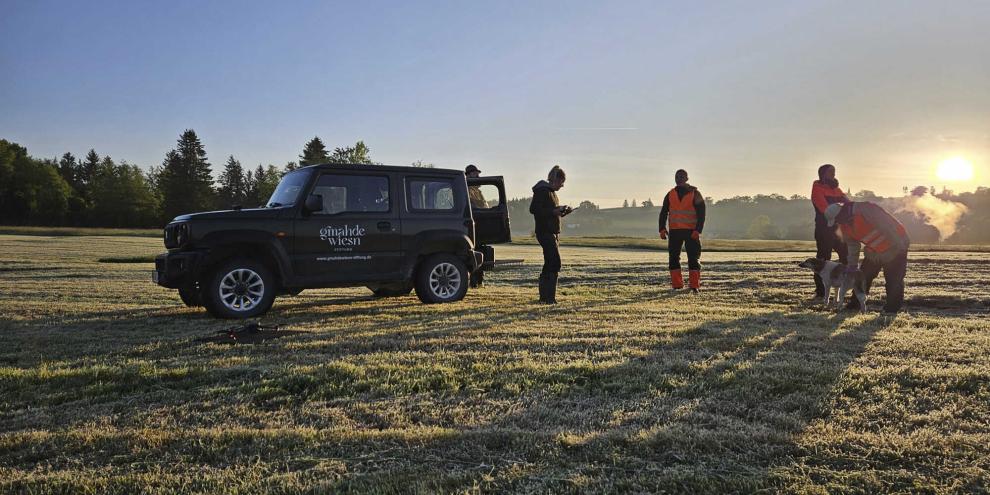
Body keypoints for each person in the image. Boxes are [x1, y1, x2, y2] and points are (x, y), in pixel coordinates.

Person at [824, 201, 910, 314]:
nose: (837, 223)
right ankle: (855, 304)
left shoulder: (865, 209)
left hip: (896, 244)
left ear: (842, 214)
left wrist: (897, 247)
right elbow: (852, 245)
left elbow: (887, 226)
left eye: (837, 220)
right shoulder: (844, 225)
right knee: (862, 276)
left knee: (893, 279)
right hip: (874, 250)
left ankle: (891, 309)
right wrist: (852, 266)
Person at [529, 165, 572, 304]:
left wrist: (562, 211)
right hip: (545, 232)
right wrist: (554, 212)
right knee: (554, 263)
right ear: (555, 180)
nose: (562, 185)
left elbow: (549, 211)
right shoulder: (542, 191)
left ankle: (546, 297)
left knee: (550, 263)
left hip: (552, 232)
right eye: (561, 182)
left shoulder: (551, 192)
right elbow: (534, 209)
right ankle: (548, 298)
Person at [658, 169, 706, 292]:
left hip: (691, 232)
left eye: (681, 176)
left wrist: (698, 230)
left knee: (693, 258)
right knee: (673, 258)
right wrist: (662, 229)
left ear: (686, 179)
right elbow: (663, 212)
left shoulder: (695, 194)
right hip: (674, 232)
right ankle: (677, 285)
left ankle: (694, 286)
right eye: (677, 176)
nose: (678, 178)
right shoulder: (670, 194)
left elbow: (702, 214)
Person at [811, 164, 849, 297]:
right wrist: (841, 211)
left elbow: (848, 204)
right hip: (824, 229)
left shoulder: (837, 189)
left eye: (834, 171)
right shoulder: (817, 188)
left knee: (847, 256)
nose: (833, 174)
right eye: (830, 172)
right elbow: (825, 209)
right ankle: (820, 291)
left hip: (838, 229)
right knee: (822, 260)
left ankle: (845, 284)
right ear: (822, 174)